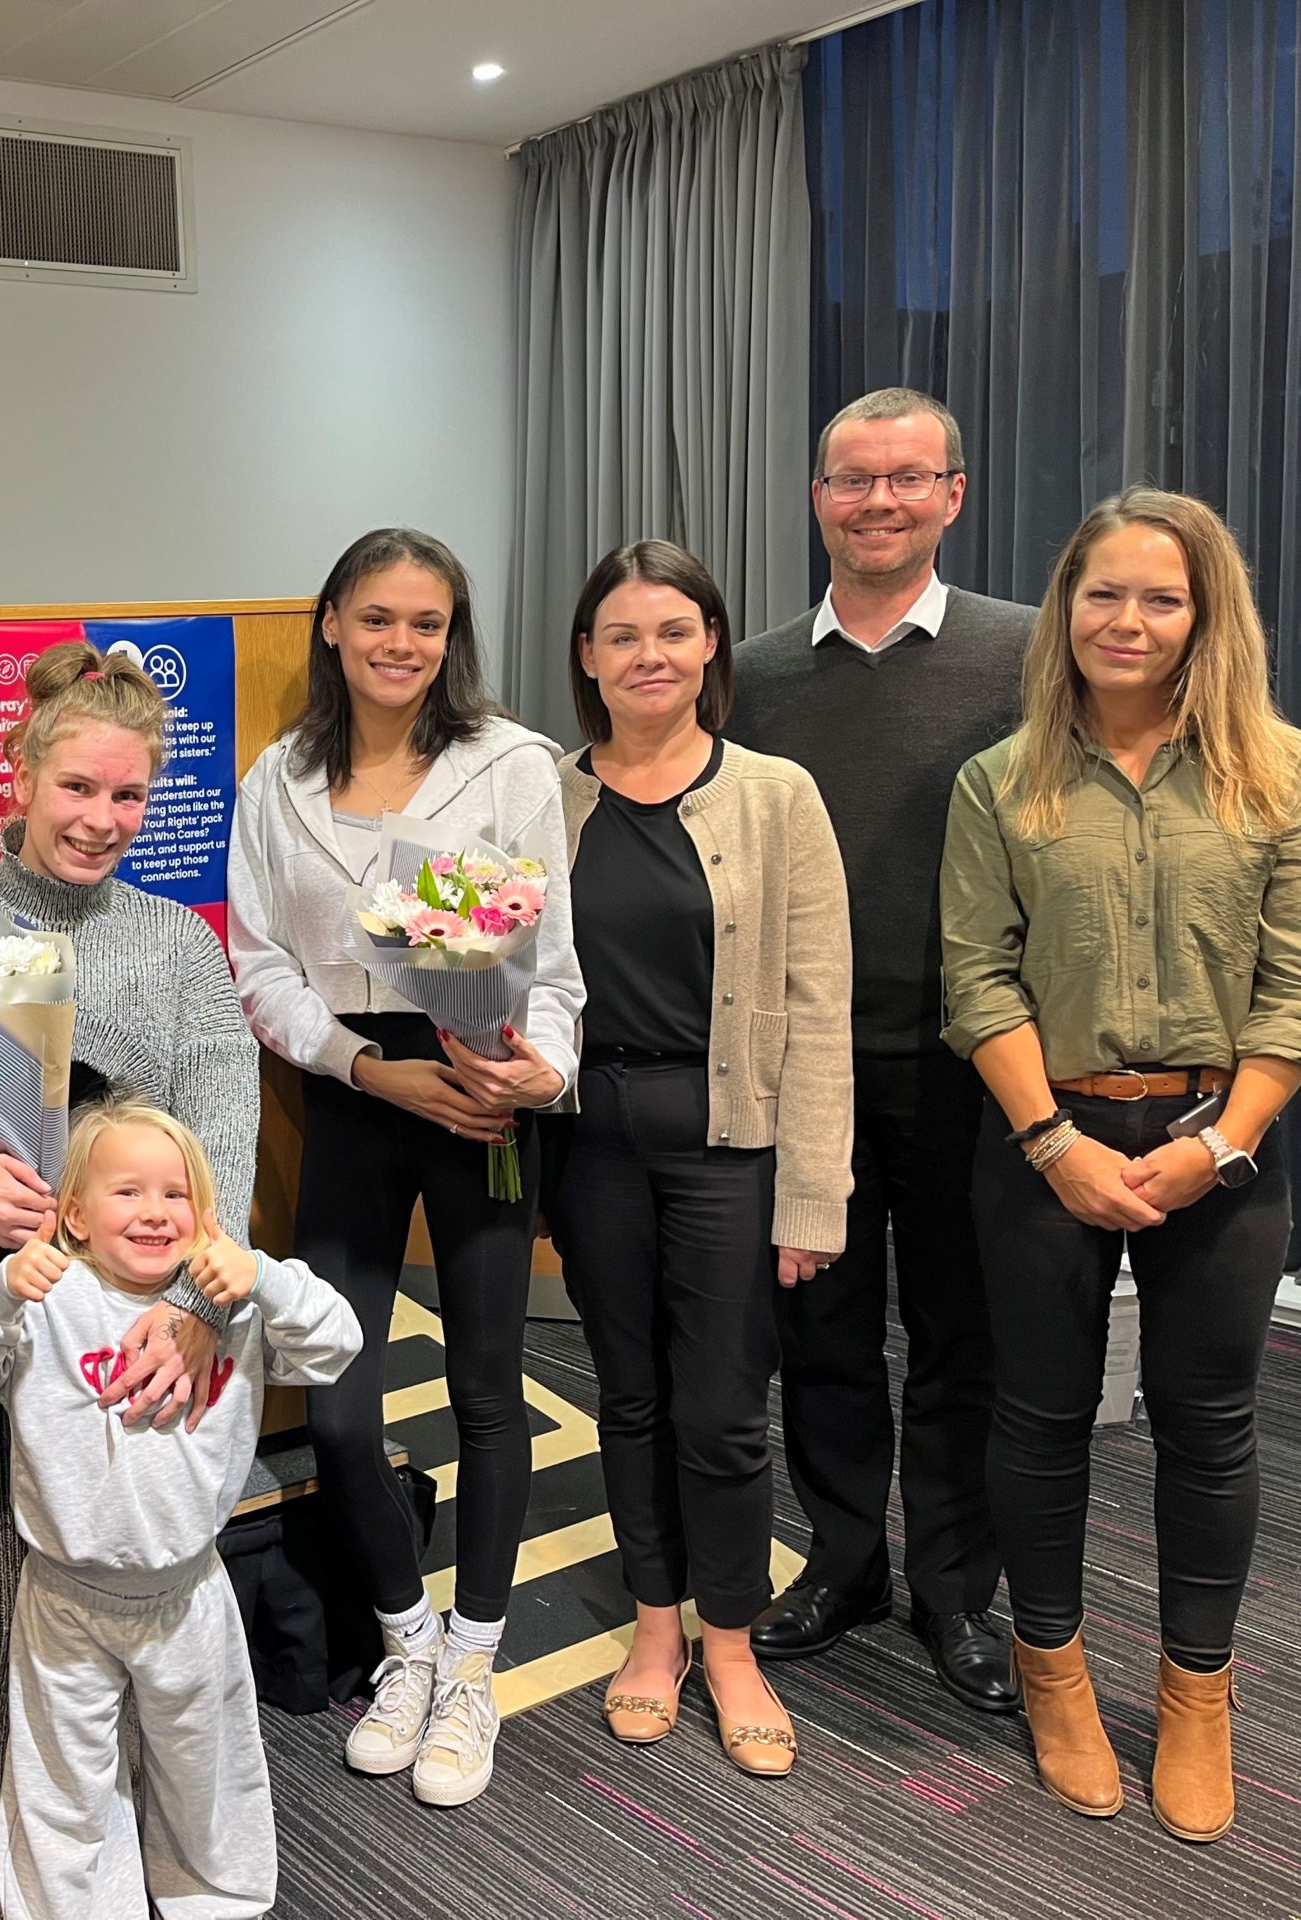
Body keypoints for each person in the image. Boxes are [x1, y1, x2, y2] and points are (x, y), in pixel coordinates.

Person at [0, 641, 259, 1916]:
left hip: (146, 1344)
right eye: (77, 789)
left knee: (148, 1611)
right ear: (20, 776)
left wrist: (201, 1312)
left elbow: (225, 1141)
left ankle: (154, 1871)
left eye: (128, 797)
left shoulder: (180, 947)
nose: (100, 820)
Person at [940, 487, 1299, 1842]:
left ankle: (1197, 1695)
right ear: (1066, 607)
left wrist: (1220, 1144)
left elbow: (1294, 987)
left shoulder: (1278, 771)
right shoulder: (1002, 778)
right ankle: (1056, 1672)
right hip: (1044, 1137)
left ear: (1206, 616)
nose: (1129, 621)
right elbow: (976, 979)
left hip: (1227, 1140)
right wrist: (1052, 1142)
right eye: (1104, 594)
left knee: (1210, 1429)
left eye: (1161, 597)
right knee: (1037, 1418)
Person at [228, 527, 583, 1806]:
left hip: (483, 1090)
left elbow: (552, 964)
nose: (399, 644)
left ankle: (475, 1663)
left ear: (452, 637)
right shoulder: (277, 780)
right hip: (359, 1094)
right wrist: (360, 1067)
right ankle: (404, 1642)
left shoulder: (510, 763)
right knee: (335, 1399)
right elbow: (261, 960)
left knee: (492, 1390)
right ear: (331, 623)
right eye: (375, 617)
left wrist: (532, 1068)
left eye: (424, 624)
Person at [734, 388, 1034, 1711]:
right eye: (854, 481)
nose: (879, 503)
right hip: (809, 1065)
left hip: (976, 1058)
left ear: (954, 496)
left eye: (908, 480)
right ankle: (846, 1561)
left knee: (966, 1337)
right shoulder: (745, 674)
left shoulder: (1030, 657)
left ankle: (956, 1591)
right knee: (826, 1334)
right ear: (819, 500)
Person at [549, 541, 852, 1776]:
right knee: (626, 1395)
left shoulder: (775, 795)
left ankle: (727, 1640)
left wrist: (813, 1196)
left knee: (723, 1411)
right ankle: (654, 1625)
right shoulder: (541, 794)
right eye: (621, 635)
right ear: (585, 655)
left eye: (672, 631)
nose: (648, 656)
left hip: (730, 1140)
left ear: (712, 645)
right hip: (588, 1137)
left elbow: (818, 1005)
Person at [0, 1105, 361, 1918]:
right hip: (63, 1598)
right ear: (76, 1217)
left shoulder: (229, 1306)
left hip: (187, 1592)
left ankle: (217, 1895)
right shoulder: (49, 1296)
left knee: (205, 1764)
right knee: (64, 1783)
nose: (156, 1211)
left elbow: (338, 1343)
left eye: (177, 1194)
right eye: (127, 1191)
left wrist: (261, 1275)